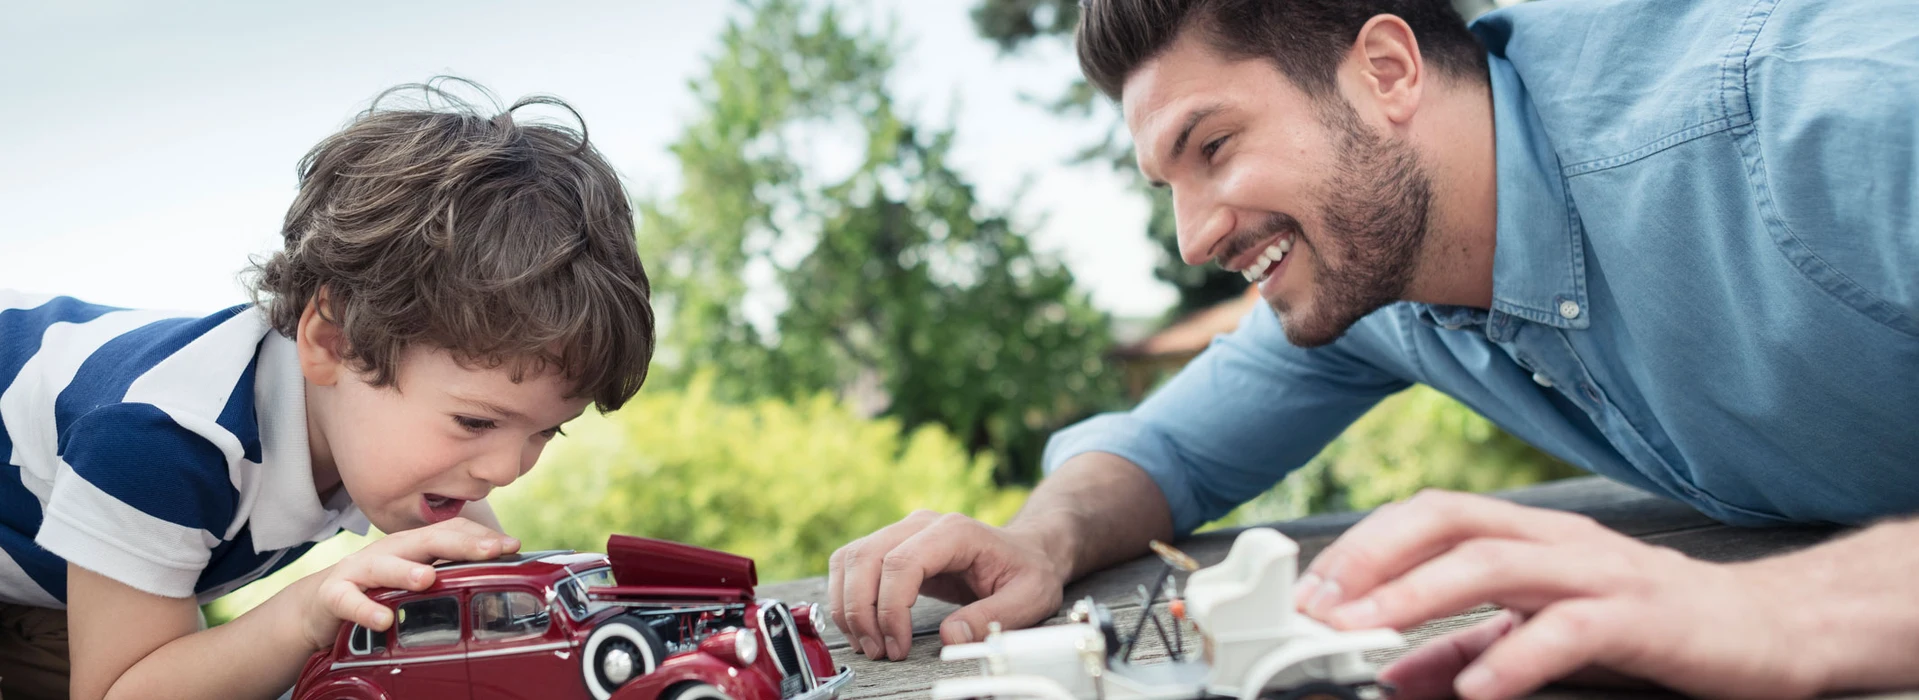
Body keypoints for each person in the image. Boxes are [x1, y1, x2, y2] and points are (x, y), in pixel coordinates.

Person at [828, 0, 1919, 698]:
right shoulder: (1379, 284)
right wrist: (1043, 538)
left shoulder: (1829, 114)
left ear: (1386, 70)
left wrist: (1762, 609)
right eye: (1168, 186)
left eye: (1212, 146)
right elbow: (1171, 452)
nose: (1195, 234)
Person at [0, 79, 656, 700]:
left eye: (545, 430)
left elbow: (483, 598)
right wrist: (305, 614)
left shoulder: (376, 433)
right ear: (332, 343)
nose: (505, 469)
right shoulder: (163, 439)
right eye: (475, 423)